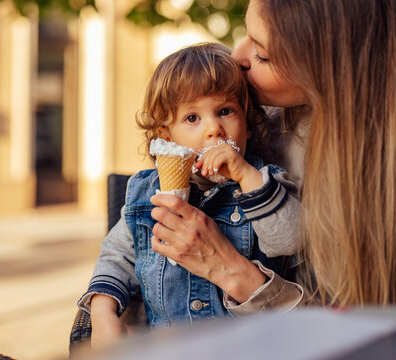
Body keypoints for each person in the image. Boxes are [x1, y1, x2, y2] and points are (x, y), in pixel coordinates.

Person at [150, 0, 396, 307]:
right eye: (247, 34)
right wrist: (104, 305)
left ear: (331, 70)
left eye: (262, 54)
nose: (237, 56)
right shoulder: (258, 111)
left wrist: (233, 273)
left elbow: (361, 325)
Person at [77, 42, 303, 348]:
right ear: (166, 137)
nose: (214, 129)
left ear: (248, 125)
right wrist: (102, 312)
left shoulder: (264, 182)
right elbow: (116, 258)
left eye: (225, 111)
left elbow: (290, 239)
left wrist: (245, 174)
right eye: (192, 118)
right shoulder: (145, 193)